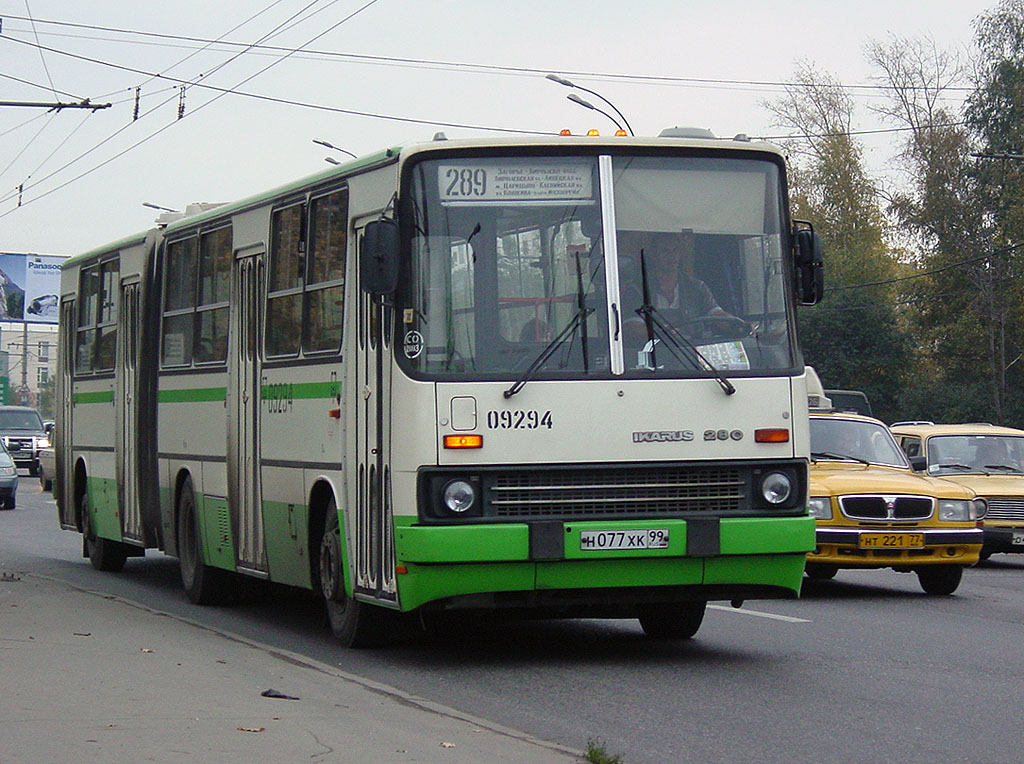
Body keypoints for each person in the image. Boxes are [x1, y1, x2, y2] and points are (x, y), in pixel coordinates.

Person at [621, 230, 730, 344]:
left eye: (675, 251)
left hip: (692, 355)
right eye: (665, 251)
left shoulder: (697, 287)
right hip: (655, 355)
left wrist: (738, 324)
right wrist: (661, 332)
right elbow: (632, 328)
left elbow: (717, 315)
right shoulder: (638, 289)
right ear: (653, 254)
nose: (671, 256)